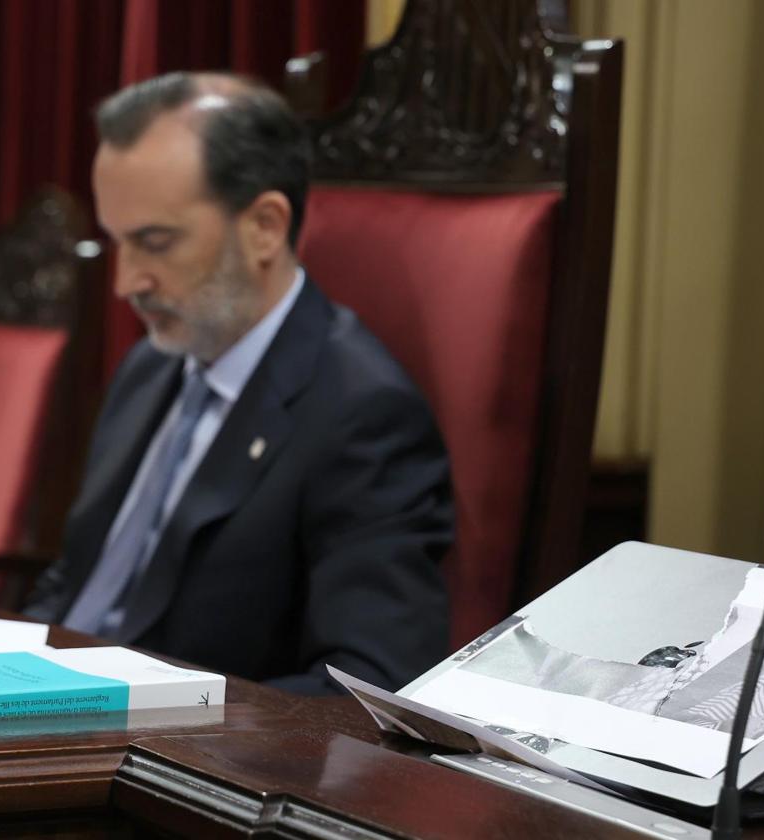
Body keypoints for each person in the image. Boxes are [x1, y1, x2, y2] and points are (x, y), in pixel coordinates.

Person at [24, 72, 453, 695]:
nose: (126, 283)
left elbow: (370, 685)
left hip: (168, 765)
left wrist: (166, 717)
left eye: (156, 242)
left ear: (265, 227)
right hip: (40, 713)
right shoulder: (149, 368)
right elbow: (79, 585)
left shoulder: (363, 415)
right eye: (117, 243)